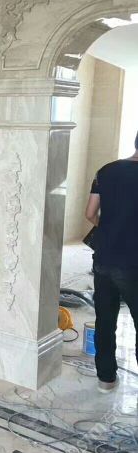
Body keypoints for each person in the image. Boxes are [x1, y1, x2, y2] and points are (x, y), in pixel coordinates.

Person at [85, 131, 138, 393]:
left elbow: (90, 213)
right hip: (133, 265)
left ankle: (105, 380)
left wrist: (108, 230)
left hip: (104, 259)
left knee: (105, 321)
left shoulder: (105, 171)